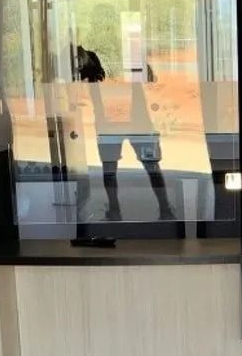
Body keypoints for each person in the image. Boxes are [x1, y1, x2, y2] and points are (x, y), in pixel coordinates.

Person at [73, 46, 175, 224]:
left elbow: (150, 77)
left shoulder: (94, 72)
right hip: (135, 122)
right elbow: (152, 79)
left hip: (117, 124)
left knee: (112, 168)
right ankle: (163, 209)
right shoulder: (96, 72)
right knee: (149, 166)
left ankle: (116, 211)